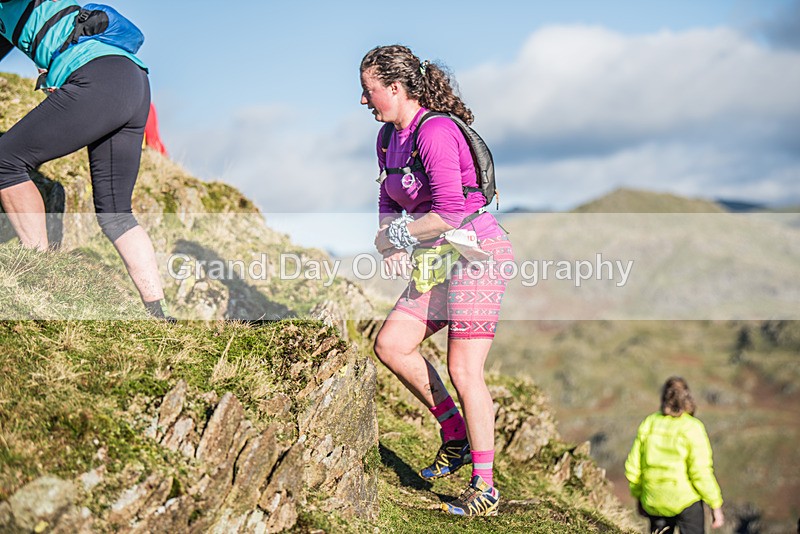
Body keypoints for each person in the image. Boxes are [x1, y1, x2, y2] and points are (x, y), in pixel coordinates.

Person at [360, 44, 514, 517]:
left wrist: (400, 236)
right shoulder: (388, 137)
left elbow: (449, 212)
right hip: (439, 258)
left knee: (465, 370)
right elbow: (388, 192)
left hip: (477, 256)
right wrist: (387, 235)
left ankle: (485, 486)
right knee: (391, 345)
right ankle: (455, 434)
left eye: (369, 91)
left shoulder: (437, 132)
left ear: (396, 87)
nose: (363, 101)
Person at [0, 1, 170, 319]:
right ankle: (158, 314)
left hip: (100, 78)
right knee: (116, 214)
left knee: (5, 161)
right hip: (133, 81)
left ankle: (37, 271)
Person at [625, 377, 725, 534]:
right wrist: (715, 505)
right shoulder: (692, 427)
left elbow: (633, 467)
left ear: (663, 397)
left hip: (654, 499)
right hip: (686, 501)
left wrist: (639, 496)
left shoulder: (649, 423)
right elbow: (700, 471)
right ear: (687, 396)